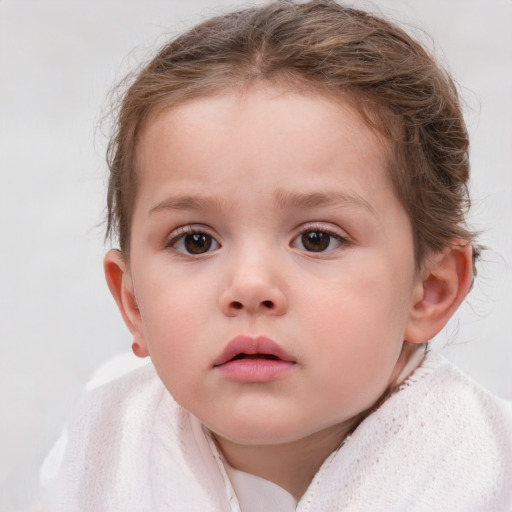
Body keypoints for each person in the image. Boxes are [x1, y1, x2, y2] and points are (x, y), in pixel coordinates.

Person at [34, 1, 512, 510]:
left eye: (316, 239)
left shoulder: (486, 474)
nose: (250, 287)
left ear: (430, 291)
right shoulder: (99, 453)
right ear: (133, 304)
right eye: (196, 240)